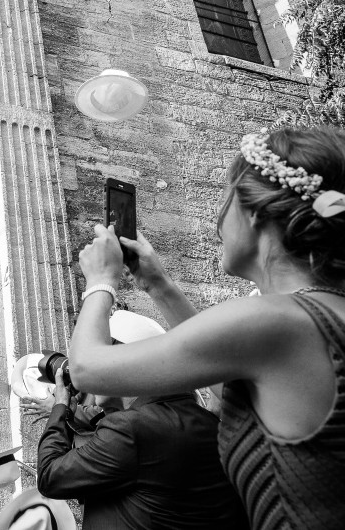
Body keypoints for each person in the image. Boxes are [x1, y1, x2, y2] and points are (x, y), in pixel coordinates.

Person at [69, 125, 345, 528]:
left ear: (254, 214)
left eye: (225, 199)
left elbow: (88, 368)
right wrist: (158, 285)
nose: (217, 219)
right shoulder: (318, 317)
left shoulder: (273, 320)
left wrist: (100, 281)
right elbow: (231, 391)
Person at [35, 313, 248, 529]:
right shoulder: (204, 422)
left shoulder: (131, 429)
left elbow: (49, 477)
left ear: (125, 363)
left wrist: (60, 406)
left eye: (95, 363)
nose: (88, 378)